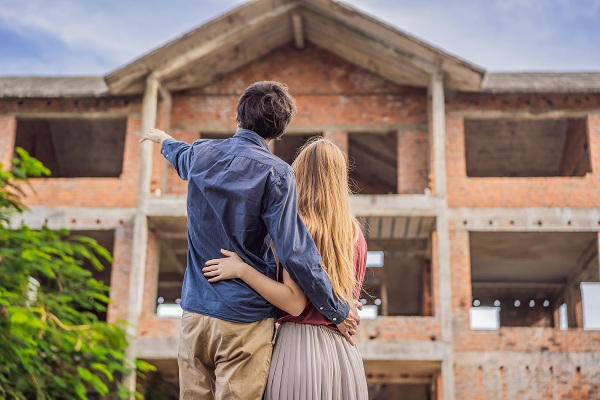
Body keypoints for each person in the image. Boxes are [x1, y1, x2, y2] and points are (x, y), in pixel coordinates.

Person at [139, 81, 361, 400]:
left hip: (195, 315)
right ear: (279, 131)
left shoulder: (201, 154)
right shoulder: (277, 173)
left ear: (237, 116)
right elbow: (295, 252)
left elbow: (181, 156)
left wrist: (164, 140)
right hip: (244, 322)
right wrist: (337, 310)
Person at [203, 137, 369, 400]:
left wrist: (242, 269)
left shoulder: (298, 229)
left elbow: (294, 303)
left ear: (299, 174)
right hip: (344, 356)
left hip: (299, 351)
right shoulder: (355, 235)